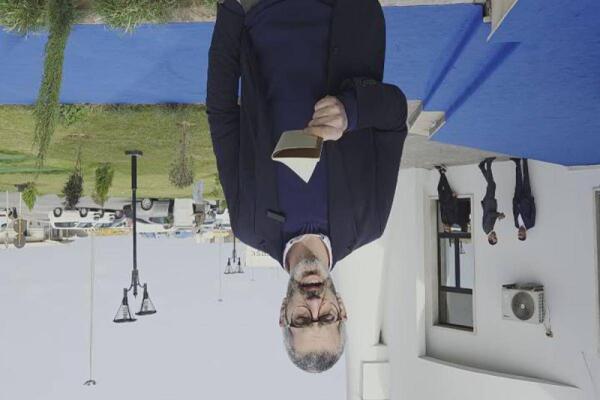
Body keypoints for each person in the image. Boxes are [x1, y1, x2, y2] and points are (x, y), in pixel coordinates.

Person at [207, 0, 407, 373]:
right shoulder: (369, 222)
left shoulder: (249, 224)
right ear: (342, 309)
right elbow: (395, 114)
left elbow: (222, 115)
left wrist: (231, 10)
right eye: (326, 317)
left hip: (261, 13)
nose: (314, 304)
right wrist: (351, 112)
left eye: (302, 319)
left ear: (283, 314)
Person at [479, 158, 505, 245]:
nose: (496, 236)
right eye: (496, 237)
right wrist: (498, 216)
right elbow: (490, 216)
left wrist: (498, 215)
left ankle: (488, 163)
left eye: (494, 238)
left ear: (489, 238)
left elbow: (489, 215)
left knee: (492, 184)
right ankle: (482, 167)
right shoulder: (489, 229)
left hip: (488, 203)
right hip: (489, 203)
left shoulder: (487, 229)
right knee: (491, 184)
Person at [511, 158, 535, 241]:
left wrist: (514, 202)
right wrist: (531, 200)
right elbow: (533, 212)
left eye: (518, 234)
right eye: (521, 234)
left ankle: (517, 163)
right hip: (526, 198)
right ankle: (525, 160)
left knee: (518, 181)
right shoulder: (530, 224)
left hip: (517, 198)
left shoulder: (516, 225)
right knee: (526, 178)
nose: (519, 233)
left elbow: (514, 213)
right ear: (525, 234)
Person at [436, 165, 459, 232]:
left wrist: (440, 202)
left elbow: (441, 210)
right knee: (446, 185)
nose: (445, 227)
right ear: (450, 228)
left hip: (442, 201)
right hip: (449, 200)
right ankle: (442, 172)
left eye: (445, 228)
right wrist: (455, 198)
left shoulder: (443, 220)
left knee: (439, 188)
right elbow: (455, 208)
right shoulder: (453, 220)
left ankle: (442, 172)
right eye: (447, 228)